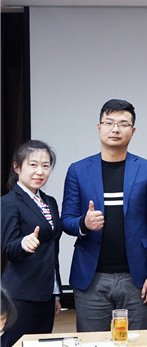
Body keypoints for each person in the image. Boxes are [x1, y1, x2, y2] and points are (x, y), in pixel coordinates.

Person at [61, 99, 147, 332]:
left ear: (133, 131)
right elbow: (66, 220)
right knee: (92, 342)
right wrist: (84, 223)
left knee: (139, 342)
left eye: (123, 124)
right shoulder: (78, 170)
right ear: (99, 127)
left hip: (137, 278)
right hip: (92, 278)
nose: (115, 129)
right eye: (109, 123)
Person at [1, 140, 62, 347]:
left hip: (46, 295)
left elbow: (52, 249)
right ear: (17, 167)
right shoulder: (8, 203)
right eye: (33, 165)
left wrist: (56, 293)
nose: (40, 171)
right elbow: (8, 248)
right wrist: (23, 244)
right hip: (20, 295)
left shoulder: (50, 202)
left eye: (45, 166)